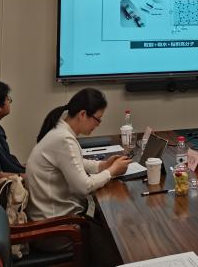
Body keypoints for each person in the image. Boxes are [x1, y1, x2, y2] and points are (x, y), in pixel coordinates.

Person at [26, 88, 130, 267]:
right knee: (116, 246)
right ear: (83, 114)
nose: (98, 124)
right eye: (97, 119)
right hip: (55, 231)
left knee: (108, 230)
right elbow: (84, 186)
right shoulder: (64, 139)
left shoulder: (59, 130)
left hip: (54, 221)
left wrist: (103, 166)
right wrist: (112, 171)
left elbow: (75, 162)